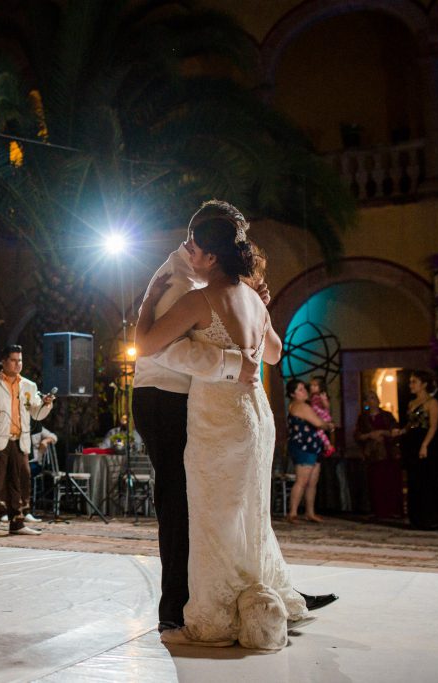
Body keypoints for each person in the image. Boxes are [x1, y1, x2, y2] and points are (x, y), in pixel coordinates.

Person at [136, 200, 308, 650]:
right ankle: (258, 598)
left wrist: (147, 302)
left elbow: (148, 346)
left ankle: (222, 611)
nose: (188, 249)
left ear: (211, 254)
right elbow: (273, 354)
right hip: (255, 415)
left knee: (215, 515)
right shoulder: (253, 296)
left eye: (196, 245)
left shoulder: (197, 297)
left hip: (216, 417)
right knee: (248, 511)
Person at [0, 345, 54, 538]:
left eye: (20, 360)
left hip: (19, 440)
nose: (18, 364)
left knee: (20, 481)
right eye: (14, 360)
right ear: (4, 361)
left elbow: (37, 413)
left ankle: (17, 522)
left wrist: (46, 404)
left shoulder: (28, 385)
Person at [396, 370, 438, 530]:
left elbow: (433, 426)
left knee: (426, 479)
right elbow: (411, 424)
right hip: (412, 442)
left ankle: (430, 517)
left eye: (414, 382)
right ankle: (415, 517)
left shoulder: (432, 403)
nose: (410, 385)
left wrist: (425, 445)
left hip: (425, 441)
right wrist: (401, 431)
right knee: (413, 479)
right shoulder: (411, 403)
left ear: (423, 384)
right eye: (410, 382)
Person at [285, 378, 332, 524]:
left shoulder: (305, 405)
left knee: (312, 482)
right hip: (303, 447)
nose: (305, 391)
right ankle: (292, 513)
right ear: (293, 394)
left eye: (304, 388)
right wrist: (328, 425)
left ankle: (310, 513)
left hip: (313, 446)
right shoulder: (300, 406)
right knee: (302, 481)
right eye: (300, 389)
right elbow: (319, 423)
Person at [353, 389, 402, 519]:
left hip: (388, 453)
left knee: (390, 481)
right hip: (373, 454)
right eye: (368, 398)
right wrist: (370, 435)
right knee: (375, 482)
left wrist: (381, 433)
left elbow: (395, 431)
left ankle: (393, 510)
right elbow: (358, 435)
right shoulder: (363, 418)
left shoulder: (387, 416)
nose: (371, 400)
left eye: (373, 397)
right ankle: (379, 510)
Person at [308, 376, 337, 457]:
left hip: (324, 418)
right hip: (318, 418)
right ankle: (326, 446)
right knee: (318, 432)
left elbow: (327, 406)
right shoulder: (312, 397)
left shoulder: (321, 395)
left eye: (314, 385)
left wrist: (324, 399)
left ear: (321, 387)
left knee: (319, 431)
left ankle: (328, 446)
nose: (312, 387)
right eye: (311, 385)